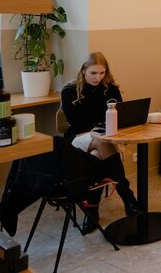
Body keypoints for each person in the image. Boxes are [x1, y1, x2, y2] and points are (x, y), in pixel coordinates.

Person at [60, 52, 138, 233]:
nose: (98, 77)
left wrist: (103, 129)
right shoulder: (70, 91)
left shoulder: (110, 89)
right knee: (103, 144)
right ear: (84, 70)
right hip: (79, 137)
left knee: (98, 154)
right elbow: (78, 125)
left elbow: (120, 116)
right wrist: (101, 128)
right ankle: (128, 197)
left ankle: (91, 208)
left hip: (104, 137)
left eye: (102, 73)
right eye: (93, 73)